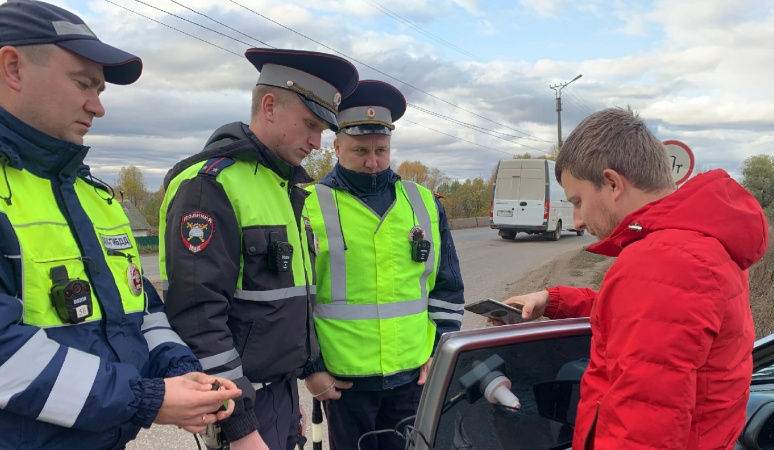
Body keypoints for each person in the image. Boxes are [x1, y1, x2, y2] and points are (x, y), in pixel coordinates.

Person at [0, 1, 241, 449]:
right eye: (82, 83)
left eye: (100, 90)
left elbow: (140, 307)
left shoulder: (94, 196)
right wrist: (143, 399)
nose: (98, 107)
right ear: (13, 68)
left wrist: (177, 367)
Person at [501, 107, 768, 449]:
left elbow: (641, 433)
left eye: (578, 201)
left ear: (612, 183)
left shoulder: (663, 260)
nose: (578, 220)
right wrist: (553, 301)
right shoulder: (696, 246)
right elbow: (645, 317)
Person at [159, 48, 359, 450]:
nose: (317, 142)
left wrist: (294, 382)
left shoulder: (281, 184)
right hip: (240, 404)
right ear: (269, 106)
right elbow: (199, 320)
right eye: (310, 124)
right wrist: (241, 426)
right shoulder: (210, 185)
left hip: (277, 395)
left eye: (322, 129)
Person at [302, 80, 465, 450]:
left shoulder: (424, 203)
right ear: (336, 146)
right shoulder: (306, 205)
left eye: (381, 150)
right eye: (360, 150)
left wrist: (439, 353)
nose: (372, 161)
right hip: (343, 382)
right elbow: (296, 301)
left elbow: (447, 287)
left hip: (412, 376)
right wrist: (311, 368)